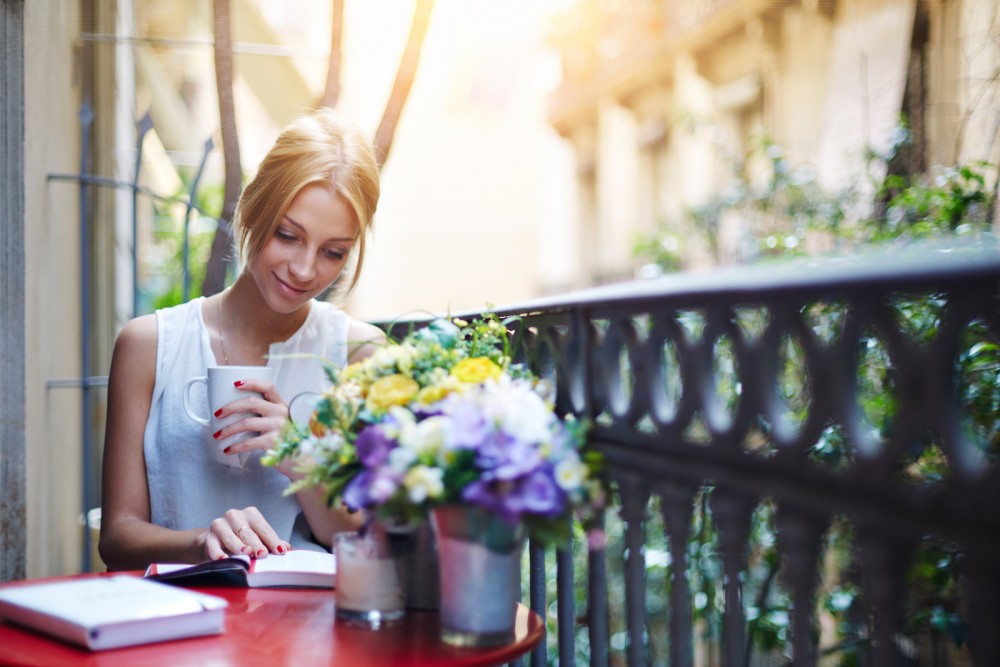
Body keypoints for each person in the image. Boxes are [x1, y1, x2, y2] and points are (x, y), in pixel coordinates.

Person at [99, 109, 384, 570]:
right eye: (288, 235)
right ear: (253, 207)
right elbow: (117, 538)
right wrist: (202, 543)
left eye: (334, 252)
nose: (305, 269)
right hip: (177, 622)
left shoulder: (359, 355)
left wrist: (299, 456)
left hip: (305, 628)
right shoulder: (149, 345)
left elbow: (368, 540)